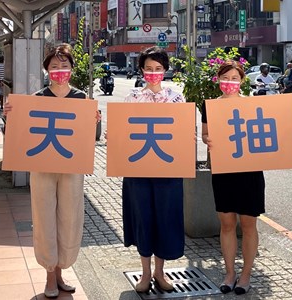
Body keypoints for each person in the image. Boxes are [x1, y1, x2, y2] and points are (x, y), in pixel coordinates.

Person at [4, 43, 100, 299]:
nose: (60, 71)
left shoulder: (81, 98)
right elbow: (17, 134)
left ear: (71, 69)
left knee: (70, 218)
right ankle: (49, 273)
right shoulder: (37, 99)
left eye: (64, 66)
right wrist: (10, 117)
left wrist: (95, 122)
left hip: (71, 168)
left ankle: (61, 271)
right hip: (42, 168)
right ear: (47, 70)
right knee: (44, 217)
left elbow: (90, 139)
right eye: (54, 67)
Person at [201, 60, 292, 295]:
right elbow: (206, 134)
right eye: (225, 78)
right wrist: (207, 139)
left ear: (242, 80)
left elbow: (277, 131)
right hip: (224, 171)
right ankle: (229, 273)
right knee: (226, 224)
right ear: (218, 81)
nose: (229, 83)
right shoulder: (211, 107)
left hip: (250, 172)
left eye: (234, 78)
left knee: (248, 224)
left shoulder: (254, 106)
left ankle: (246, 274)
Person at [122, 46, 185, 293]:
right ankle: (145, 273)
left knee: (165, 219)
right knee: (143, 219)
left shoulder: (176, 97)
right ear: (141, 70)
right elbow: (123, 133)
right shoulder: (132, 98)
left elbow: (183, 133)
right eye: (148, 69)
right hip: (138, 169)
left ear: (166, 71)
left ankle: (161, 272)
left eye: (158, 69)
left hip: (168, 169)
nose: (153, 73)